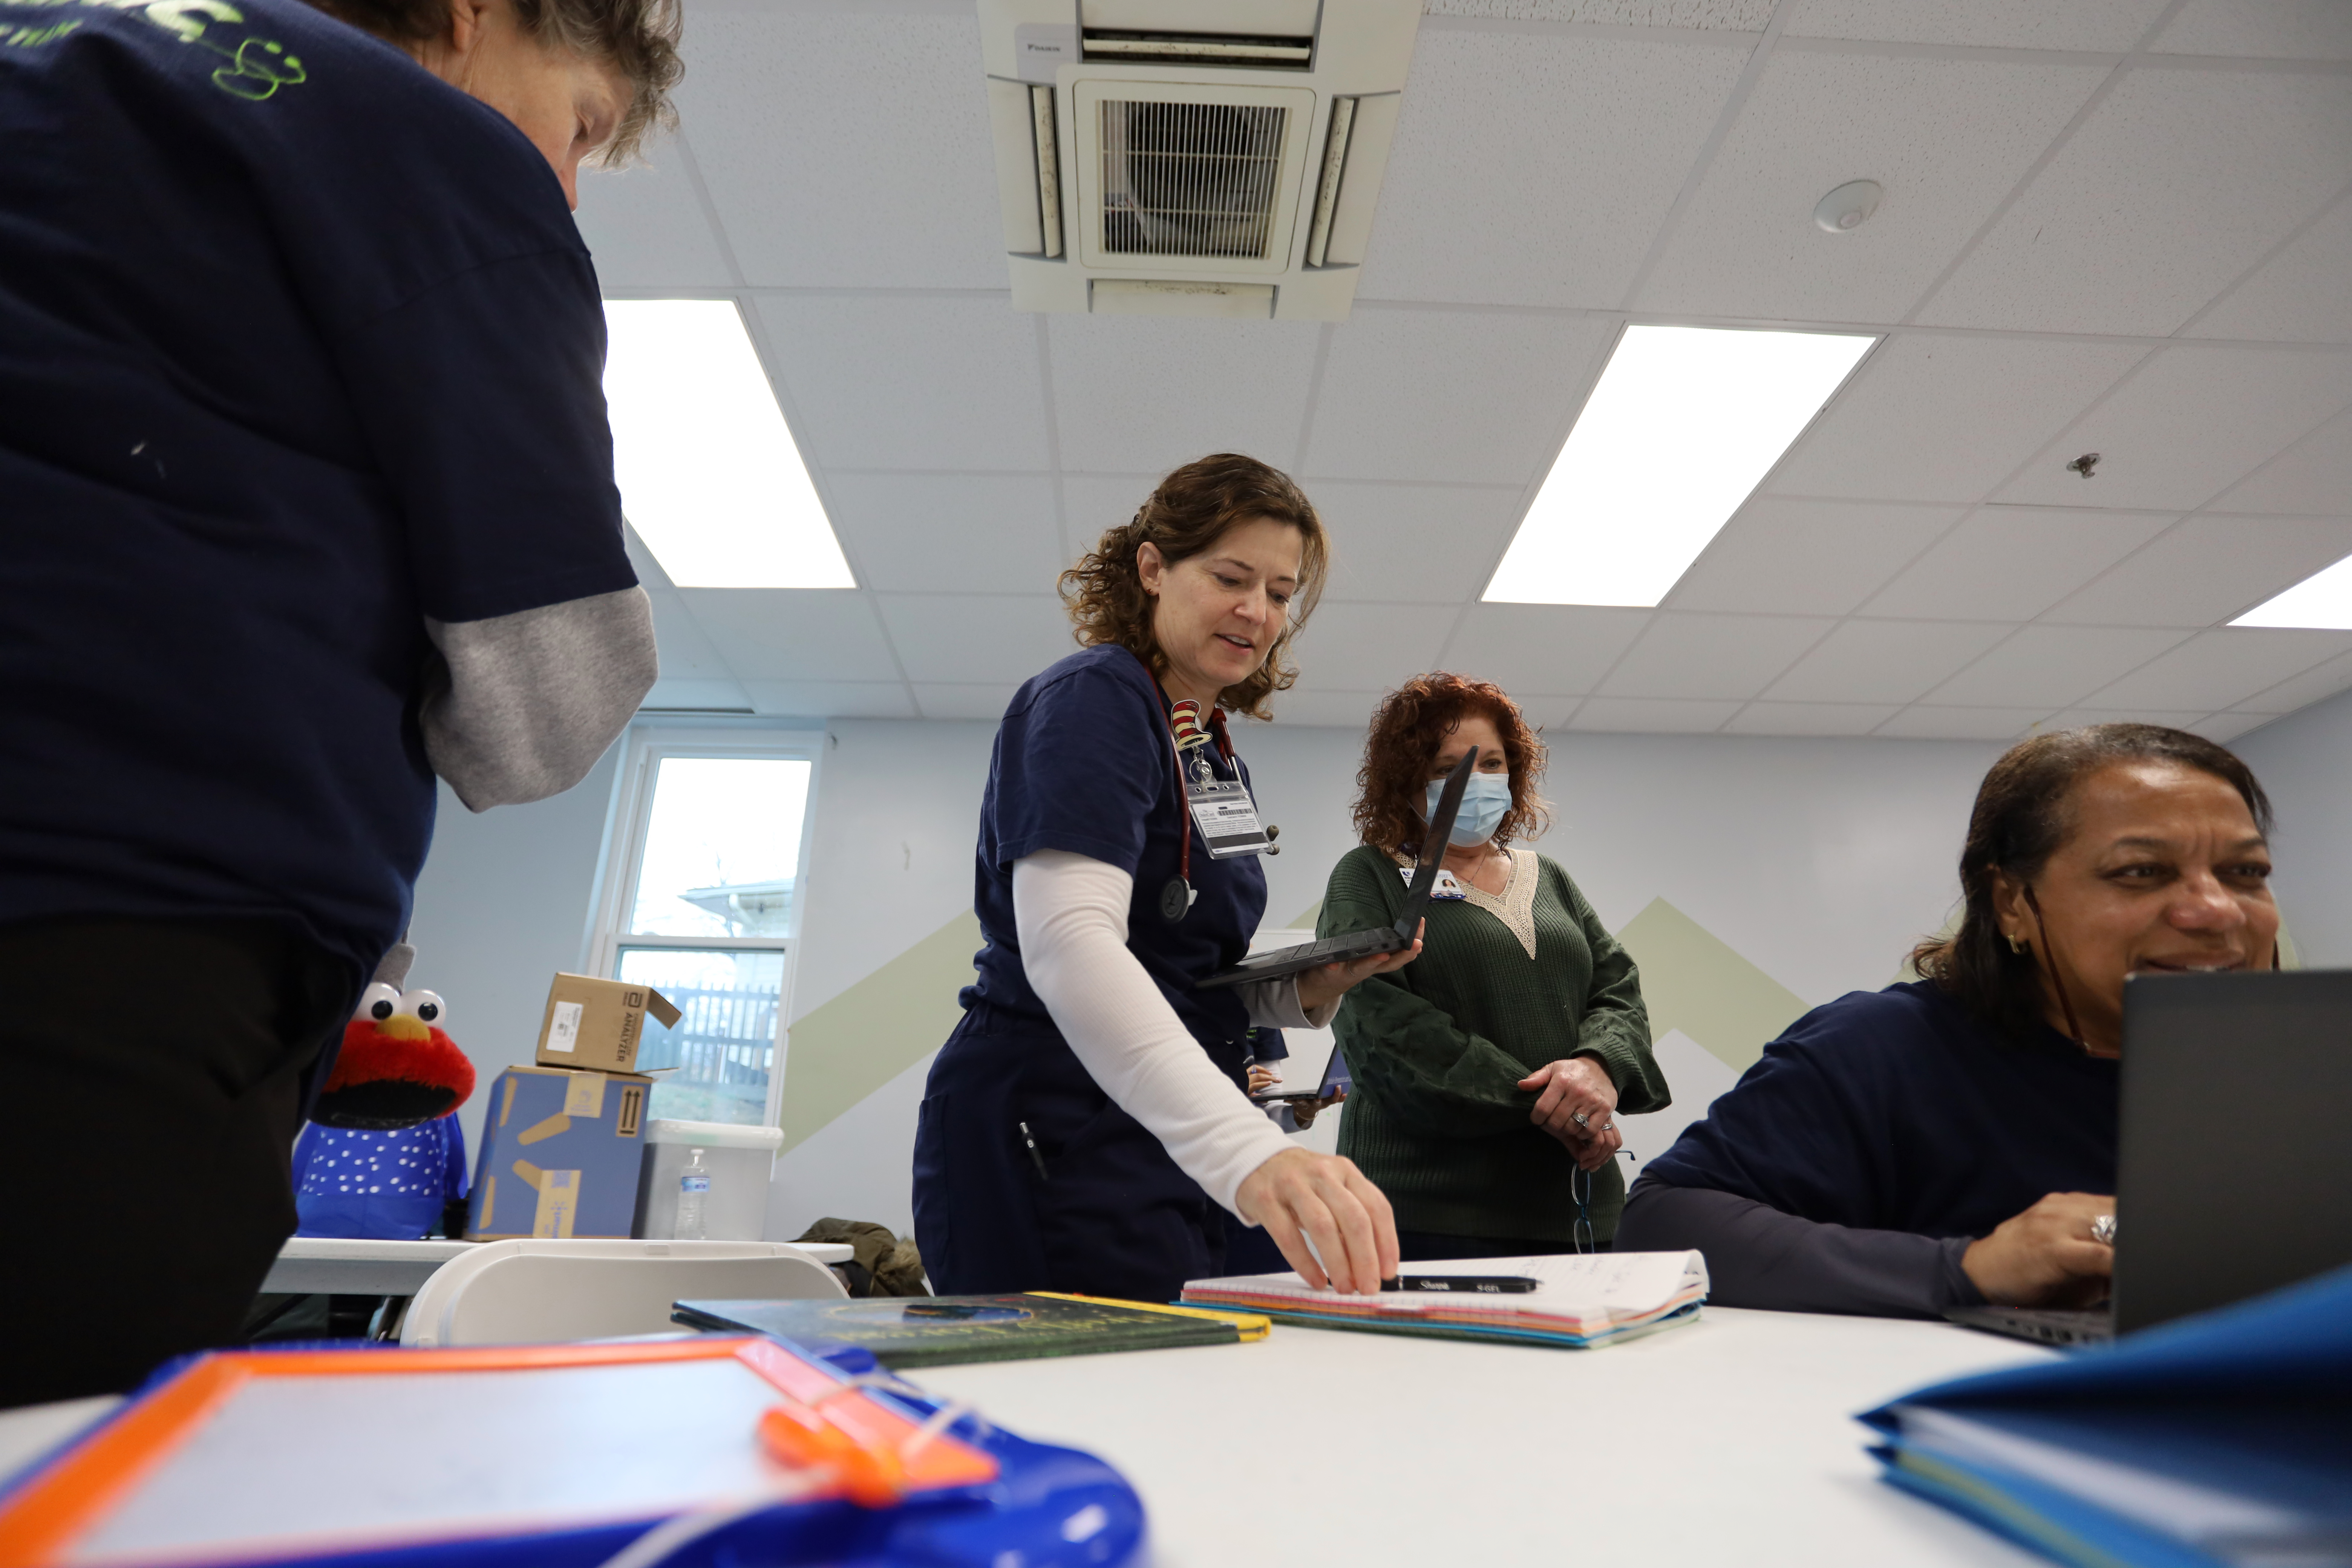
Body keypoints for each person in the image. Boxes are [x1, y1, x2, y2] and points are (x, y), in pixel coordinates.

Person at [0, 0, 676, 1403]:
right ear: (475, 17)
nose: (561, 181)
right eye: (582, 129)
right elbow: (550, 703)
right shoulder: (436, 153)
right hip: (106, 934)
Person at [912, 455, 1414, 1305]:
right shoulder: (1092, 699)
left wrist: (1306, 990)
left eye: (1283, 593)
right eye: (1231, 576)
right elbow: (1071, 944)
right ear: (1152, 569)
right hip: (1056, 1119)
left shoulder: (1211, 751)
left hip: (1165, 1119)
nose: (1258, 611)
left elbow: (1183, 969)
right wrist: (1251, 1154)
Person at [1615, 724, 2280, 1318]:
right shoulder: (1883, 1047)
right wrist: (1968, 1268)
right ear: (2014, 902)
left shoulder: (2307, 1067)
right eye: (2141, 872)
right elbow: (1664, 1225)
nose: (2217, 911)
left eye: (2246, 871)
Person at [1317, 675, 1667, 1260]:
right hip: (1431, 1212)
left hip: (1580, 1207)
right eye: (1446, 767)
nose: (1472, 783)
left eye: (1491, 764)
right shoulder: (1369, 876)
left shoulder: (1549, 878)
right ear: (1406, 779)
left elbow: (1618, 992)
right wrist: (1558, 1107)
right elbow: (1386, 1031)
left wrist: (1598, 1070)